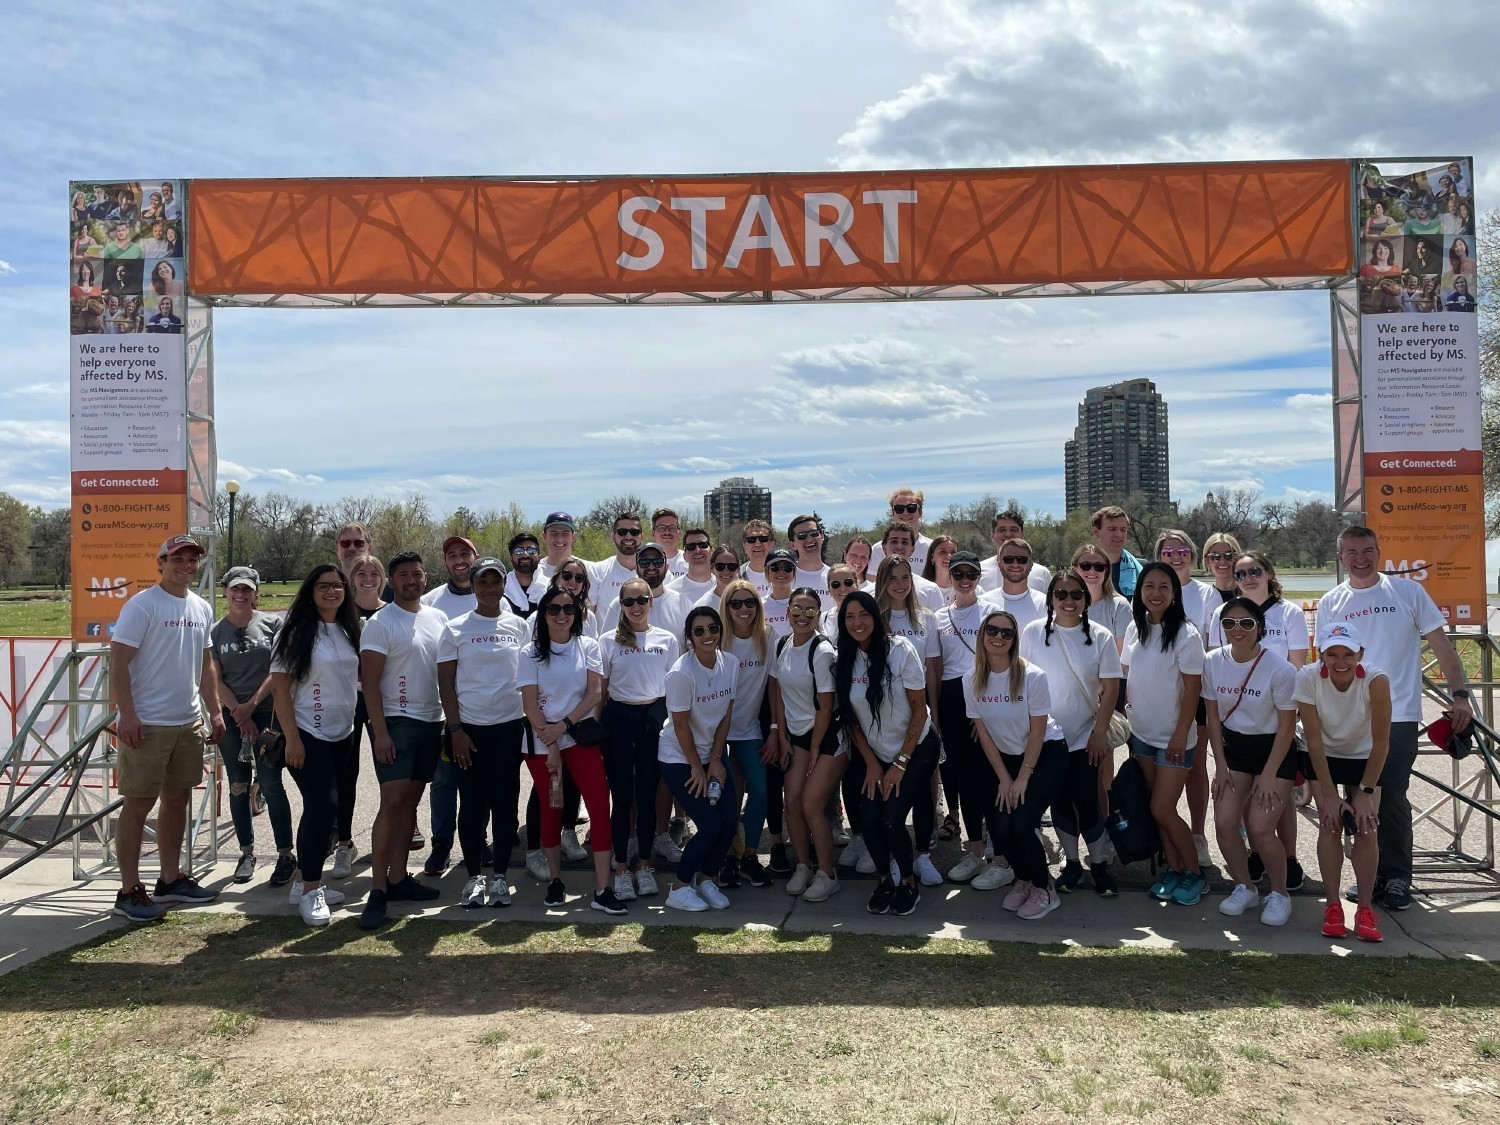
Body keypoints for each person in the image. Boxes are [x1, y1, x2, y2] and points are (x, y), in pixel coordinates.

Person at [1315, 525, 1471, 911]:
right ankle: (1372, 877)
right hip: (1347, 715)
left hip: (1398, 713)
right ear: (1340, 557)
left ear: (1379, 551)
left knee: (1390, 796)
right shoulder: (1331, 601)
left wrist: (1461, 695)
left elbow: (1441, 646)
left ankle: (1399, 877)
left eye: (1367, 550)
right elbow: (1325, 662)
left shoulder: (1408, 592)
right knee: (1355, 796)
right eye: (1351, 552)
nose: (1360, 558)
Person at [107, 535, 223, 920]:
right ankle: (128, 891)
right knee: (138, 804)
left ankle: (170, 879)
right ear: (161, 562)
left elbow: (206, 665)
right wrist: (127, 714)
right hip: (148, 723)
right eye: (178, 559)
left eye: (193, 560)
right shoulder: (142, 605)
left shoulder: (202, 607)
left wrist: (215, 711)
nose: (186, 565)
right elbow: (119, 662)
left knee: (178, 799)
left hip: (186, 722)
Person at [516, 585, 627, 915]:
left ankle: (602, 888)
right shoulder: (530, 652)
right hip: (540, 743)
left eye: (568, 609)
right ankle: (555, 880)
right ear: (544, 614)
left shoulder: (588, 645)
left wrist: (563, 727)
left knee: (597, 806)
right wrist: (550, 742)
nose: (562, 615)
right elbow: (529, 704)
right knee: (551, 809)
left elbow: (594, 694)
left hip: (579, 738)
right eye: (554, 609)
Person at [357, 551, 447, 929]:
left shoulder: (437, 617)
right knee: (391, 803)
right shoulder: (380, 623)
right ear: (391, 582)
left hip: (431, 721)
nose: (411, 580)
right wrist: (380, 733)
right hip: (396, 722)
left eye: (416, 574)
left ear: (424, 578)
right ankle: (377, 891)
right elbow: (370, 684)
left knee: (411, 801)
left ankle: (397, 879)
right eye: (402, 575)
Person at [836, 591, 940, 917]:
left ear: (876, 616)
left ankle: (908, 882)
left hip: (916, 748)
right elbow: (851, 720)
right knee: (869, 820)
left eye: (863, 614)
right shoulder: (845, 657)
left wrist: (899, 764)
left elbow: (919, 712)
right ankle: (885, 880)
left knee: (892, 820)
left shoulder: (901, 650)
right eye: (849, 617)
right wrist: (871, 764)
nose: (857, 623)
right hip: (875, 754)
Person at [270, 565, 362, 926]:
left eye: (338, 586)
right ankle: (311, 891)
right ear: (310, 591)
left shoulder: (347, 628)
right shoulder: (295, 632)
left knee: (327, 811)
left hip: (343, 733)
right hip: (307, 733)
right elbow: (280, 688)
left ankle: (302, 882)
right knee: (323, 808)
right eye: (323, 586)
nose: (332, 592)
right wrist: (292, 737)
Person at [1020, 571, 1121, 896]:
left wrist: (1099, 733)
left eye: (1076, 594)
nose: (1068, 601)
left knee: (1088, 800)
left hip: (1086, 736)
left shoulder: (1101, 636)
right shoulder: (1034, 633)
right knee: (1060, 802)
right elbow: (1022, 683)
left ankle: (1099, 864)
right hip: (1048, 737)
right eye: (1061, 594)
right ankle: (1073, 864)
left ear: (1085, 599)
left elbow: (1112, 686)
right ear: (1051, 598)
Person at [437, 557, 530, 910]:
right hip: (469, 731)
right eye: (483, 582)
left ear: (504, 584)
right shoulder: (456, 627)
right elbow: (446, 683)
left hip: (508, 728)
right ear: (473, 586)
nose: (490, 588)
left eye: (496, 581)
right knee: (472, 807)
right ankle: (474, 877)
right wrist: (456, 728)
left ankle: (502, 877)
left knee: (505, 805)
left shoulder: (518, 626)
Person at [1203, 598, 1300, 927]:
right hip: (1235, 750)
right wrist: (1219, 764)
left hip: (1276, 750)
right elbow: (1213, 717)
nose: (1237, 630)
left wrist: (1270, 774)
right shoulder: (1212, 661)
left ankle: (1280, 894)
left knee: (1260, 827)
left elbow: (1288, 726)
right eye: (1229, 624)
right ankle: (1245, 887)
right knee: (1224, 822)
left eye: (1246, 623)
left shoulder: (1280, 669)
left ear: (1260, 627)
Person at [967, 608, 1068, 919]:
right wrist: (1004, 779)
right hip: (1006, 760)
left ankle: (1044, 888)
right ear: (982, 636)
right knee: (1000, 827)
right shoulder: (969, 679)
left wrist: (1022, 779)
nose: (998, 637)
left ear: (1014, 639)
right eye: (992, 631)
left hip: (1046, 754)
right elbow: (984, 735)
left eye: (1006, 633)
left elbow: (1038, 732)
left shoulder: (1032, 676)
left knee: (1022, 823)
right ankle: (1024, 879)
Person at [1297, 622, 1390, 942]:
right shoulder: (1307, 677)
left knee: (1367, 826)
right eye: (1332, 654)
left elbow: (1381, 743)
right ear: (1319, 654)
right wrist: (1327, 793)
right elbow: (1314, 739)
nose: (1340, 662)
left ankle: (1365, 908)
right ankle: (1333, 904)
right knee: (1329, 823)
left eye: (1348, 654)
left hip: (1364, 756)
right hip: (1323, 756)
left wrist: (1364, 793)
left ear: (1360, 654)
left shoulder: (1376, 680)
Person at [1121, 562, 1207, 905]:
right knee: (1157, 808)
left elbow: (1192, 689)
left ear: (1174, 595)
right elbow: (1131, 675)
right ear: (1140, 592)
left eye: (1164, 587)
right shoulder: (1134, 628)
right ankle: (1173, 870)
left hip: (1174, 740)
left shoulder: (1187, 634)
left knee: (1162, 809)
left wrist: (1180, 734)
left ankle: (1196, 875)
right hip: (1141, 735)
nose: (1155, 594)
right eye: (1149, 586)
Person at [210, 566, 293, 888]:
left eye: (247, 589)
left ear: (256, 592)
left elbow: (278, 671)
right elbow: (214, 678)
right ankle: (247, 852)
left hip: (267, 712)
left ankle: (285, 854)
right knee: (238, 783)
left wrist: (251, 708)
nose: (241, 595)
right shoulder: (216, 632)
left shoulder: (273, 624)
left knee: (271, 783)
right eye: (235, 589)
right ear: (226, 592)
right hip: (233, 715)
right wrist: (237, 712)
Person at [599, 577, 680, 901]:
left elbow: (674, 687)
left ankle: (644, 866)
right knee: (622, 798)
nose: (636, 607)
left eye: (641, 600)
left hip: (653, 722)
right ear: (621, 606)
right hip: (619, 721)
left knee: (647, 797)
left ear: (651, 602)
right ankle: (621, 869)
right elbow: (601, 691)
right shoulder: (608, 641)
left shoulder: (667, 639)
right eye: (629, 602)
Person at [935, 551, 1009, 886]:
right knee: (964, 779)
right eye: (958, 574)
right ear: (949, 577)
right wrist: (935, 713)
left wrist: (991, 707)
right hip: (951, 700)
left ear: (980, 577)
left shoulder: (992, 613)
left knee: (990, 776)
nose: (965, 580)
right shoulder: (938, 616)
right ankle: (976, 850)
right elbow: (935, 669)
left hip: (982, 696)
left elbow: (1000, 658)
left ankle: (1000, 852)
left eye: (971, 574)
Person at [658, 608, 741, 910]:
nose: (707, 635)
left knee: (729, 820)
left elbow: (725, 714)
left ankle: (706, 880)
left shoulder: (730, 663)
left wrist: (716, 758)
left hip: (713, 754)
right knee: (708, 825)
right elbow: (680, 725)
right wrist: (697, 766)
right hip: (680, 757)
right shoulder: (681, 673)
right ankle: (679, 887)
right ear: (689, 637)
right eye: (699, 631)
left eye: (712, 628)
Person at [871, 553, 943, 886]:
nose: (900, 585)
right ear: (882, 582)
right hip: (885, 723)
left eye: (905, 577)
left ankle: (922, 855)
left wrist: (935, 714)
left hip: (920, 718)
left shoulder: (926, 619)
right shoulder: (874, 619)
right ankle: (895, 858)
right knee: (892, 787)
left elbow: (932, 670)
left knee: (924, 790)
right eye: (893, 578)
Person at [769, 588, 843, 901]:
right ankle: (804, 865)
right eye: (797, 609)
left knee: (812, 803)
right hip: (796, 738)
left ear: (818, 614)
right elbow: (777, 690)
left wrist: (813, 750)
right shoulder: (782, 644)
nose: (802, 616)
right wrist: (780, 733)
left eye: (810, 610)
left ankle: (828, 872)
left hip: (827, 739)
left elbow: (825, 707)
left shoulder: (823, 650)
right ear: (787, 612)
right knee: (792, 803)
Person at [1154, 528, 1216, 866]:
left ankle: (1197, 834)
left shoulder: (1206, 595)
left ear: (1192, 556)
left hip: (1197, 690)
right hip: (1159, 692)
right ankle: (1165, 835)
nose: (1175, 557)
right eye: (1168, 552)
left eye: (1181, 551)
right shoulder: (1152, 590)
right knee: (1158, 766)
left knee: (1192, 765)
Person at [717, 579, 775, 888]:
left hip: (749, 729)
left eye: (749, 602)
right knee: (727, 797)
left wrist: (776, 729)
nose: (743, 609)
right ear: (726, 608)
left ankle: (750, 855)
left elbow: (775, 687)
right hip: (716, 732)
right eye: (736, 603)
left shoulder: (767, 636)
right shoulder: (718, 639)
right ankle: (728, 856)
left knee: (761, 791)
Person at [335, 552, 386, 878]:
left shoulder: (391, 613)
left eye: (373, 573)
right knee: (345, 773)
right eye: (360, 573)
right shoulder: (340, 614)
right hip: (348, 699)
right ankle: (344, 843)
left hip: (384, 700)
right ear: (351, 579)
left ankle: (398, 832)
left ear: (382, 579)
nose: (367, 578)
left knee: (390, 770)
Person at [601, 541, 690, 639]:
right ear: (636, 567)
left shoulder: (682, 603)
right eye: (644, 562)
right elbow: (605, 647)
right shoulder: (620, 604)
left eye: (658, 562)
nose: (651, 567)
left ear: (666, 567)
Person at [1071, 543, 1132, 647]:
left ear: (1106, 570)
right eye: (1085, 566)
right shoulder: (1063, 605)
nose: (1092, 571)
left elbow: (1124, 658)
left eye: (1099, 567)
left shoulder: (1119, 606)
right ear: (1074, 570)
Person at [980, 509, 1053, 594]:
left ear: (1022, 534)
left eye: (1014, 530)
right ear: (992, 535)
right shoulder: (978, 571)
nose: (1008, 534)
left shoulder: (1042, 573)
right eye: (1002, 530)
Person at [986, 538, 1048, 634]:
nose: (1015, 564)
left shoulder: (1045, 604)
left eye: (1022, 560)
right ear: (999, 565)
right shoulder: (983, 603)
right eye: (1008, 559)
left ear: (1031, 565)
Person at [881, 523, 944, 611]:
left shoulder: (930, 590)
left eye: (905, 542)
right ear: (884, 548)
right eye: (894, 541)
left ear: (912, 549)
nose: (899, 546)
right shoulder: (869, 593)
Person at [867, 488, 932, 572]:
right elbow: (873, 583)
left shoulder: (932, 548)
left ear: (920, 512)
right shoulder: (877, 550)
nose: (905, 512)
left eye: (911, 508)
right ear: (892, 513)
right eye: (899, 508)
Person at [589, 512, 643, 603]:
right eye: (622, 532)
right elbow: (590, 612)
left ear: (642, 537)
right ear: (613, 537)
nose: (628, 537)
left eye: (634, 532)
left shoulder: (653, 572)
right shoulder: (597, 571)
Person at [420, 535, 479, 619]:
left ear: (477, 559)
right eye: (452, 556)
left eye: (464, 554)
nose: (459, 561)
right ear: (445, 563)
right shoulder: (427, 603)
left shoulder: (495, 599)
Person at [1090, 506, 1141, 597]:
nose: (1119, 534)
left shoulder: (1142, 569)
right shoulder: (1084, 568)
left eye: (1123, 530)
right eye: (1112, 529)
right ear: (1096, 532)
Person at [787, 514, 830, 603]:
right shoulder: (784, 579)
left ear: (822, 536)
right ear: (793, 544)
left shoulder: (834, 578)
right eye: (802, 536)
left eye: (813, 533)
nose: (809, 539)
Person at [669, 528, 716, 603]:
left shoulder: (724, 588)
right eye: (691, 547)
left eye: (703, 545)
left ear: (712, 552)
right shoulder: (671, 591)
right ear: (684, 556)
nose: (697, 550)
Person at [503, 532, 544, 617]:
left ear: (539, 557)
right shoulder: (501, 590)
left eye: (531, 550)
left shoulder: (550, 587)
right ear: (511, 558)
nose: (525, 554)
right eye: (519, 551)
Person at [760, 546, 798, 636]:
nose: (781, 572)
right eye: (775, 567)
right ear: (767, 571)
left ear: (794, 571)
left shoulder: (803, 601)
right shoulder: (760, 606)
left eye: (787, 567)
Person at [740, 519, 777, 596]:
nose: (757, 544)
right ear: (744, 546)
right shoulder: (735, 576)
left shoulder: (788, 573)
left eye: (763, 539)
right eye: (751, 540)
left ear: (772, 544)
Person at [651, 508, 689, 577]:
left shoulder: (690, 561)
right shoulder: (643, 563)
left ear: (680, 533)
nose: (667, 532)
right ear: (653, 533)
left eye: (672, 528)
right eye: (661, 528)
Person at [920, 534, 959, 602]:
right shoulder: (921, 589)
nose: (949, 556)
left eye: (953, 552)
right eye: (943, 552)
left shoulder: (967, 588)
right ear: (932, 557)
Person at [539, 512, 577, 579]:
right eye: (554, 533)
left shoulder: (588, 570)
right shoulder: (534, 571)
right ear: (544, 536)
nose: (560, 539)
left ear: (573, 536)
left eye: (565, 533)